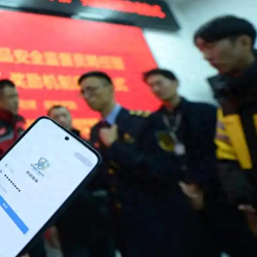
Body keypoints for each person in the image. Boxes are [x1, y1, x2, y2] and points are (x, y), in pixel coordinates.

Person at [79, 71, 203, 257]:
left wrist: (115, 146)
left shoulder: (145, 121)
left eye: (92, 89)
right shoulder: (96, 131)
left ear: (110, 88)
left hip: (158, 216)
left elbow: (166, 168)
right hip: (125, 222)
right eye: (83, 92)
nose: (87, 96)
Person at [144, 68, 257, 256]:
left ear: (175, 83)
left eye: (159, 83)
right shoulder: (153, 122)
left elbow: (218, 150)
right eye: (151, 86)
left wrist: (196, 183)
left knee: (241, 244)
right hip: (183, 196)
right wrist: (183, 185)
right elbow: (158, 158)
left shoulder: (204, 111)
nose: (156, 89)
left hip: (217, 190)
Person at [195, 15, 257, 235]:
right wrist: (245, 199)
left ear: (243, 42)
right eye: (202, 50)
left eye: (210, 46)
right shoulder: (227, 96)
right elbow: (226, 153)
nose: (206, 56)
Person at [46, 105, 116, 257]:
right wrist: (50, 226)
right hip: (68, 225)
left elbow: (103, 180)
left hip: (98, 220)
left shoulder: (89, 147)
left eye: (65, 115)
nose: (62, 119)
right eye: (56, 117)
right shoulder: (45, 152)